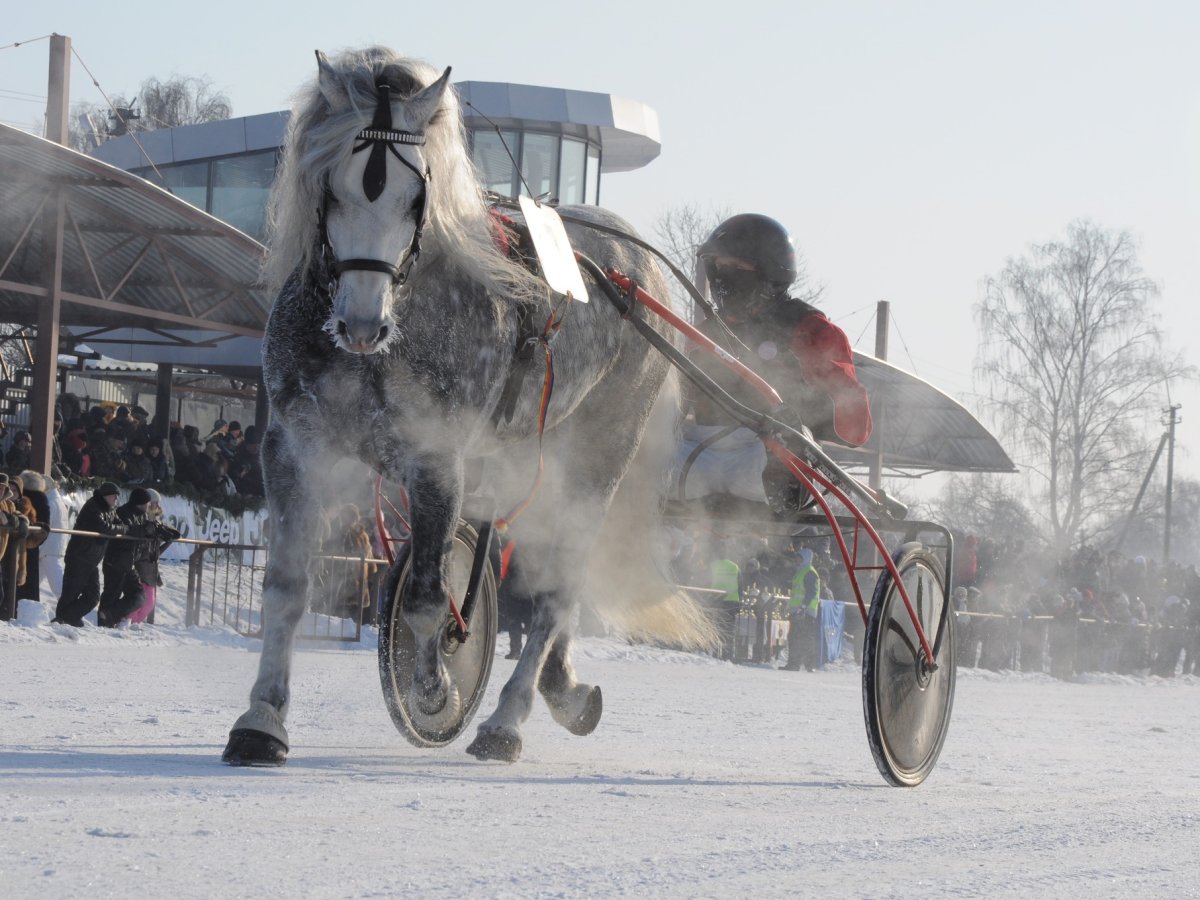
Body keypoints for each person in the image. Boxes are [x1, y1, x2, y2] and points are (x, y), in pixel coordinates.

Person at [690, 214, 873, 516]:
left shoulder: (810, 329)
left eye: (736, 268)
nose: (723, 276)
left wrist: (817, 380)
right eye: (718, 267)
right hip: (703, 461)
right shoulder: (706, 333)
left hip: (777, 469)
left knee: (777, 442)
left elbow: (856, 431)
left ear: (769, 273)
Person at [52, 481, 127, 627]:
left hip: (92, 560)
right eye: (114, 496)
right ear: (105, 496)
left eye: (117, 497)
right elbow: (104, 527)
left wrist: (118, 528)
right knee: (70, 593)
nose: (116, 500)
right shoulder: (93, 506)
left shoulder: (110, 509)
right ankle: (62, 620)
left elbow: (122, 526)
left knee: (92, 597)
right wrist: (118, 528)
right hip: (79, 557)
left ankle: (67, 618)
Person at [97, 487, 154, 627]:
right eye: (147, 503)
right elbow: (126, 531)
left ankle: (110, 615)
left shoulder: (142, 515)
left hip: (129, 563)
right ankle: (104, 624)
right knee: (111, 595)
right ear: (141, 503)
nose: (149, 506)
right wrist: (145, 530)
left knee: (139, 596)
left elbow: (140, 533)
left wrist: (154, 531)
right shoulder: (122, 513)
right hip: (115, 562)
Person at [127, 488, 181, 625]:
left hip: (150, 570)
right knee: (136, 601)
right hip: (138, 567)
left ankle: (134, 624)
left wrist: (168, 540)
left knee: (149, 604)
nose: (158, 507)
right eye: (155, 503)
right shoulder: (141, 520)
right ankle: (128, 622)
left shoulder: (156, 522)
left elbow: (155, 550)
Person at [783, 547, 821, 671]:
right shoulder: (801, 571)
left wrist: (803, 606)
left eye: (799, 558)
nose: (797, 560)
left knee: (805, 638)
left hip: (805, 612)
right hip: (798, 611)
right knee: (795, 637)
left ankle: (808, 665)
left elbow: (812, 591)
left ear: (805, 559)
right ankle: (794, 664)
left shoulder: (809, 572)